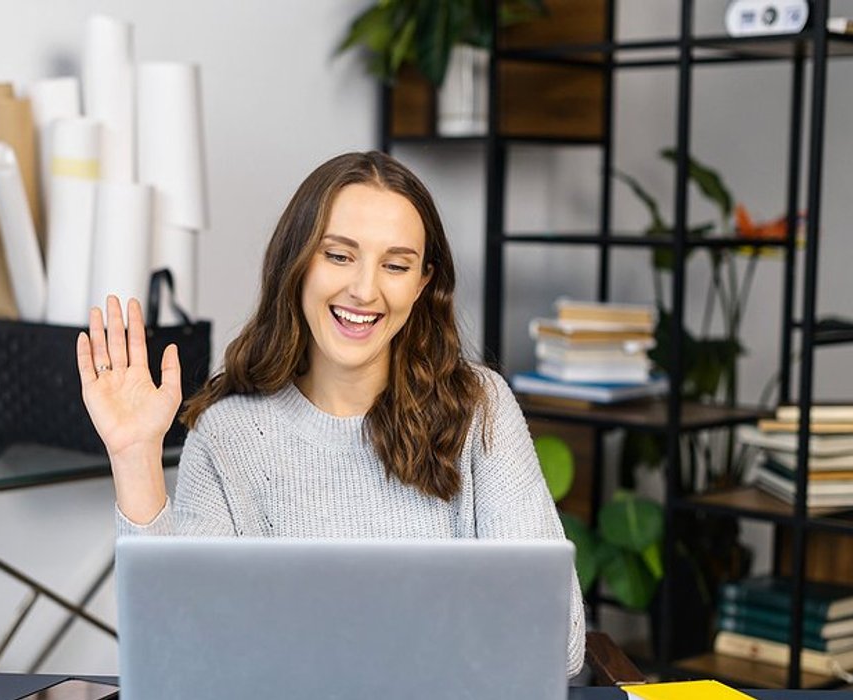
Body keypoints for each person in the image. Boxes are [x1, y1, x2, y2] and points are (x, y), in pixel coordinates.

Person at [76, 151, 585, 677]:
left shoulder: (479, 408)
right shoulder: (227, 434)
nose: (364, 290)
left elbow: (557, 646)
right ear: (297, 264)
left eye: (395, 264)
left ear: (423, 282)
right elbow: (178, 659)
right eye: (339, 256)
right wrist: (135, 456)